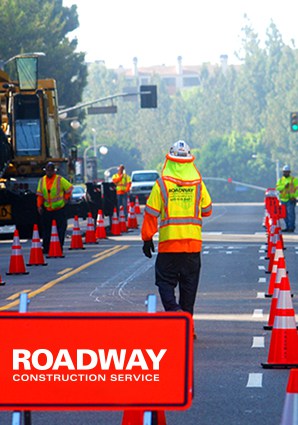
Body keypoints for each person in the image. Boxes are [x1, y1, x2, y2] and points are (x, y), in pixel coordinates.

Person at [141, 140, 212, 337]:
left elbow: (150, 213)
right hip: (192, 246)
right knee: (189, 289)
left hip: (169, 245)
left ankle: (174, 312)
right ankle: (188, 327)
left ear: (170, 160)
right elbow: (207, 210)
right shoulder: (198, 184)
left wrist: (147, 238)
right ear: (189, 160)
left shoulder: (162, 184)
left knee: (164, 282)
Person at [36, 162, 73, 253]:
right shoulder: (42, 181)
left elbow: (69, 189)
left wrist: (66, 199)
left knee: (61, 229)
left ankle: (59, 246)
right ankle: (46, 247)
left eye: (50, 171)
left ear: (53, 171)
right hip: (47, 209)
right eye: (47, 171)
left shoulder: (59, 179)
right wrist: (39, 206)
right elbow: (40, 195)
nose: (49, 172)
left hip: (59, 208)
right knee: (46, 230)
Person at [276, 164, 298, 232]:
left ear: (289, 172)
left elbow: (297, 189)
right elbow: (277, 188)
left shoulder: (294, 180)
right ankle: (286, 227)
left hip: (290, 200)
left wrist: (294, 197)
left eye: (287, 171)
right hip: (283, 199)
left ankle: (291, 227)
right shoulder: (281, 180)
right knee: (284, 214)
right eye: (284, 171)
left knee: (291, 214)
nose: (285, 173)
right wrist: (284, 186)